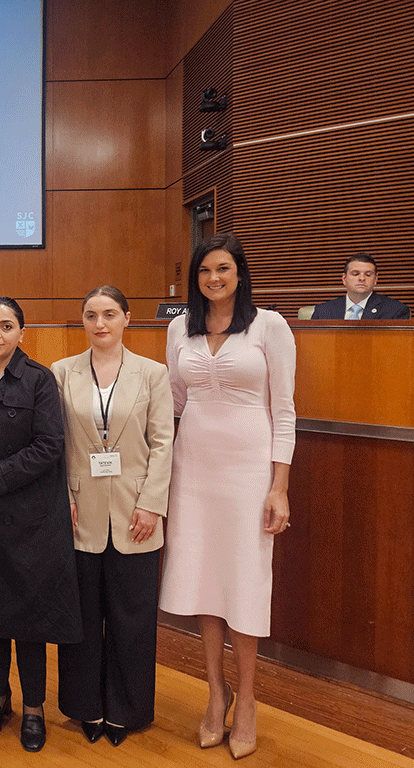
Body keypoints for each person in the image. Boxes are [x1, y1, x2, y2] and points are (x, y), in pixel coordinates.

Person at [159, 233, 295, 760]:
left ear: (240, 272)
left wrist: (279, 486)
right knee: (200, 582)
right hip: (191, 468)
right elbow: (172, 401)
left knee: (244, 583)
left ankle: (249, 701)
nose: (213, 279)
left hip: (248, 474)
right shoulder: (179, 328)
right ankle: (215, 692)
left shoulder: (270, 326)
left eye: (222, 269)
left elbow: (283, 411)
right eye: (204, 272)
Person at [0, 297, 81, 752]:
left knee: (28, 620)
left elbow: (50, 446)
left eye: (7, 326)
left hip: (27, 522)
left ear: (21, 333)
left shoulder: (39, 380)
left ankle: (33, 709)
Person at [51, 285, 174, 747]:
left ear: (127, 318)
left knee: (133, 617)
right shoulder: (62, 373)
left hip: (135, 512)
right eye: (90, 315)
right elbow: (55, 443)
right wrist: (63, 497)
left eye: (108, 314)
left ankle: (127, 708)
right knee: (82, 615)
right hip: (80, 510)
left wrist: (151, 503)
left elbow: (163, 442)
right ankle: (88, 706)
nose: (99, 323)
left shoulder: (152, 374)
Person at [310, 253, 410, 320]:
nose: (362, 278)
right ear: (344, 278)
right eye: (355, 274)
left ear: (375, 279)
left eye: (368, 274)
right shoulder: (322, 312)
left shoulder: (396, 311)